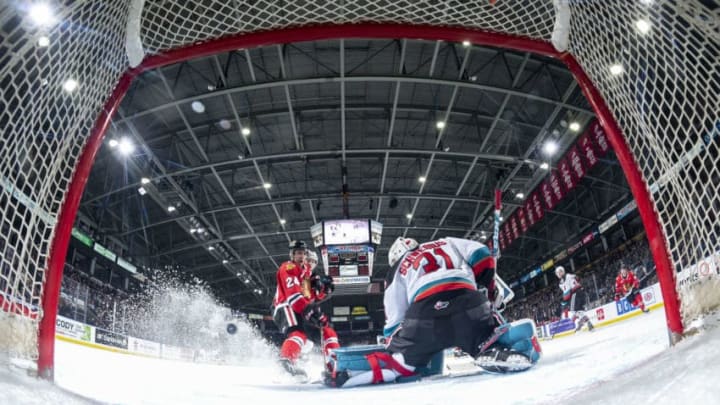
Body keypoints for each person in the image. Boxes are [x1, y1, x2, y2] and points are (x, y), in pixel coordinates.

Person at [324, 236, 541, 387]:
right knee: (491, 336)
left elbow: (395, 320)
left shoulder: (397, 268)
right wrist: (489, 288)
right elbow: (483, 255)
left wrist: (397, 345)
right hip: (469, 305)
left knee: (399, 362)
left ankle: (348, 372)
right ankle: (512, 343)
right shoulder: (447, 242)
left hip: (425, 319)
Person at [272, 241, 339, 377]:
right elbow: (294, 297)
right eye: (298, 253)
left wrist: (324, 291)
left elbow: (308, 297)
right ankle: (286, 361)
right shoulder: (289, 267)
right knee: (298, 333)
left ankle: (336, 363)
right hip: (286, 305)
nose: (302, 257)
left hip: (300, 308)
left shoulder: (305, 275)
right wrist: (310, 310)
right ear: (292, 255)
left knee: (327, 330)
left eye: (303, 253)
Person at [555, 266, 594, 332]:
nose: (558, 274)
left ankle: (581, 322)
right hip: (579, 293)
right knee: (578, 311)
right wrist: (564, 300)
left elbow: (568, 292)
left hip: (576, 294)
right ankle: (588, 323)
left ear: (562, 271)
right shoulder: (565, 279)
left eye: (559, 272)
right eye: (557, 273)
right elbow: (567, 291)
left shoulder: (566, 277)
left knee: (573, 311)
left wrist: (564, 301)